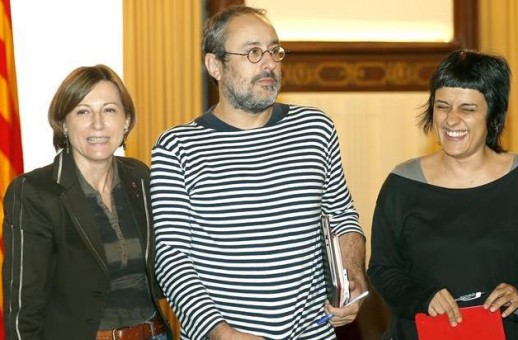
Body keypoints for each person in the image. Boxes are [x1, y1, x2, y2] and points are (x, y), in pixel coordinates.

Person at [149, 5, 367, 340]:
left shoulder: (315, 128)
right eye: (252, 52)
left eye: (274, 51)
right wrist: (221, 333)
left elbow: (341, 215)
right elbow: (173, 257)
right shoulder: (177, 146)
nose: (268, 63)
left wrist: (353, 277)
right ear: (214, 65)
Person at [367, 49, 518, 339]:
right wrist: (422, 298)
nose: (451, 120)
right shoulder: (402, 183)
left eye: (468, 108)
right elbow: (382, 267)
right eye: (442, 106)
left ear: (493, 114)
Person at [2, 64, 172, 340]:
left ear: (126, 120)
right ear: (64, 123)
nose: (98, 124)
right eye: (83, 111)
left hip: (155, 334)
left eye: (109, 110)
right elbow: (23, 307)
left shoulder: (140, 177)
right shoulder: (34, 192)